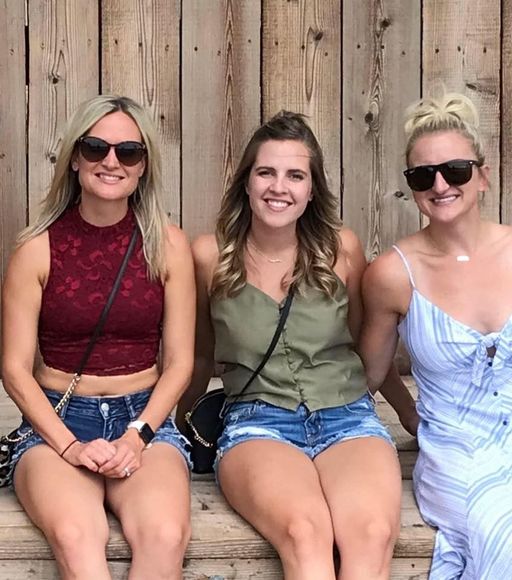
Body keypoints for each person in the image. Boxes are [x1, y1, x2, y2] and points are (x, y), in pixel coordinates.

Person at [359, 92, 512, 579]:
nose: (440, 185)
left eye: (455, 170)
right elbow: (369, 374)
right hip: (463, 451)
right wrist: (409, 414)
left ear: (483, 175)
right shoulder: (392, 275)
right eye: (423, 176)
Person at [176, 111, 401, 580]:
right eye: (266, 172)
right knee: (303, 531)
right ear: (246, 182)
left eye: (295, 175)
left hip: (347, 417)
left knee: (372, 533)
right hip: (259, 422)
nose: (279, 187)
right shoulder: (210, 257)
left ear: (312, 189)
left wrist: (412, 415)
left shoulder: (342, 249)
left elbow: (369, 348)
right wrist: (170, 428)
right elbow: (198, 356)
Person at [1, 95, 195, 580]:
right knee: (75, 536)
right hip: (58, 420)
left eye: (128, 151)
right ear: (74, 158)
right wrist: (70, 446)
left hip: (144, 417)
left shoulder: (168, 244)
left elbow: (180, 363)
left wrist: (138, 434)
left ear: (143, 165)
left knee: (164, 535)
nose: (111, 161)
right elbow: (14, 369)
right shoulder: (36, 248)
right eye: (95, 148)